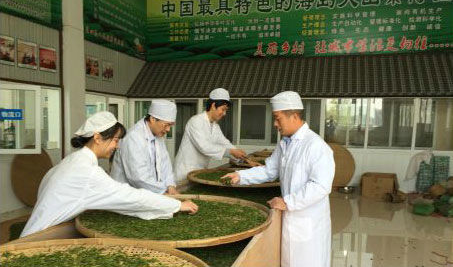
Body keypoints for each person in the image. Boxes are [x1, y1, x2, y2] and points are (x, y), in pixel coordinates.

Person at [20, 111, 198, 237]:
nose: (117, 146)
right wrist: (175, 206)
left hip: (42, 230)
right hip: (38, 239)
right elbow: (130, 197)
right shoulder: (87, 171)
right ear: (97, 138)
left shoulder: (72, 161)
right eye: (114, 140)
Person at [222, 91, 335, 267]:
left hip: (308, 224)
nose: (275, 124)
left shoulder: (316, 146)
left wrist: (287, 202)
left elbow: (320, 186)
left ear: (294, 116)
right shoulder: (285, 143)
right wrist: (240, 176)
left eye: (277, 118)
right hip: (291, 220)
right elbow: (270, 170)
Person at [174, 88, 247, 183]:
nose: (224, 113)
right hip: (184, 172)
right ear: (213, 105)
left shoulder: (215, 126)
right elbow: (204, 147)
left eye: (226, 110)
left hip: (198, 172)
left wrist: (242, 159)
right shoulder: (196, 121)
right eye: (223, 109)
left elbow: (225, 143)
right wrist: (232, 152)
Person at [111, 100, 179, 195]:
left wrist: (170, 185)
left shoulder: (158, 135)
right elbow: (138, 177)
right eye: (166, 125)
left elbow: (165, 163)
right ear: (152, 119)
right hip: (127, 196)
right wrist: (163, 191)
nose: (168, 129)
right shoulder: (133, 138)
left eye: (170, 125)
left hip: (149, 194)